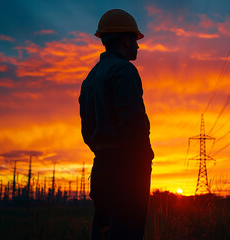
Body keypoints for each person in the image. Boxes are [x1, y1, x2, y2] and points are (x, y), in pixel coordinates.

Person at [79, 9, 154, 240]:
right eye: (135, 41)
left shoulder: (90, 78)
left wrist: (104, 153)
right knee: (127, 233)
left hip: (100, 168)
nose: (138, 47)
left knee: (103, 233)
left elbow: (87, 132)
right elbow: (132, 124)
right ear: (125, 40)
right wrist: (144, 158)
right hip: (126, 171)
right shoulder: (124, 70)